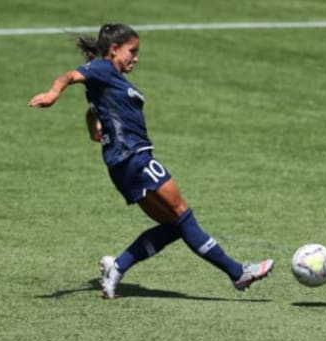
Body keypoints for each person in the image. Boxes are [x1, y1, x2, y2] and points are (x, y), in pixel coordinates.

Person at [28, 23, 273, 299]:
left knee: (173, 227)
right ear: (114, 49)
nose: (136, 57)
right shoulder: (103, 68)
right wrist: (53, 93)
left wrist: (94, 129)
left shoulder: (109, 80)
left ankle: (117, 266)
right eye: (132, 51)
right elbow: (70, 75)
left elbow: (92, 109)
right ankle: (238, 273)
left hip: (123, 164)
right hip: (134, 157)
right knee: (183, 215)